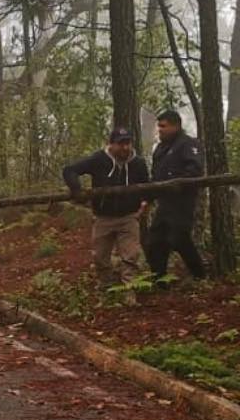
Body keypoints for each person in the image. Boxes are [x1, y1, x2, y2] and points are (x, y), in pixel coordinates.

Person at [62, 127, 150, 299]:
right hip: (103, 217)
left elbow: (146, 185)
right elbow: (69, 170)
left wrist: (145, 203)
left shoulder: (138, 163)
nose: (125, 147)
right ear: (111, 144)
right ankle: (107, 288)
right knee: (100, 257)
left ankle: (129, 292)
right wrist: (77, 190)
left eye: (128, 143)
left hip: (129, 216)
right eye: (121, 144)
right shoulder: (98, 159)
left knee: (130, 256)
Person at [144, 110, 206, 283]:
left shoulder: (188, 144)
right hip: (164, 204)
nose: (160, 130)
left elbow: (195, 170)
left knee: (179, 238)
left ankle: (200, 275)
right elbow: (156, 178)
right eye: (159, 126)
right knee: (155, 242)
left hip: (182, 202)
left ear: (176, 126)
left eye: (163, 126)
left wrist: (175, 184)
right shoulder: (160, 148)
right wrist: (148, 199)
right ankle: (160, 280)